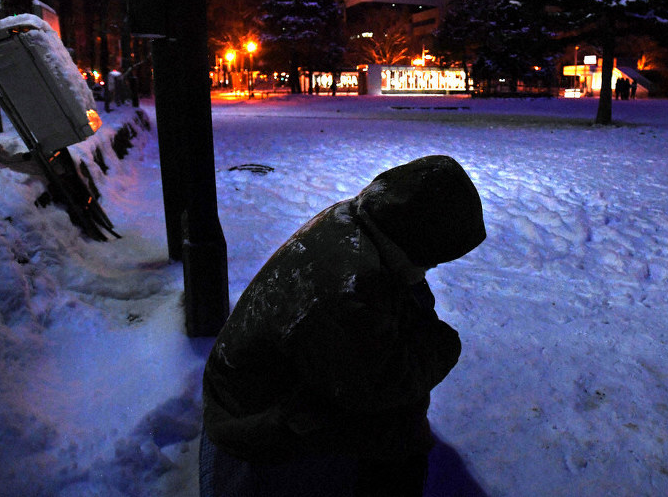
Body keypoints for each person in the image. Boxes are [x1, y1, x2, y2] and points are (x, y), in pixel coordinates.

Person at [200, 155, 486, 497]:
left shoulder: (359, 218)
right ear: (416, 240)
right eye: (434, 256)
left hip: (250, 391)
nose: (433, 266)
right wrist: (442, 345)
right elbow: (382, 385)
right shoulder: (346, 293)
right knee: (394, 434)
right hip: (252, 422)